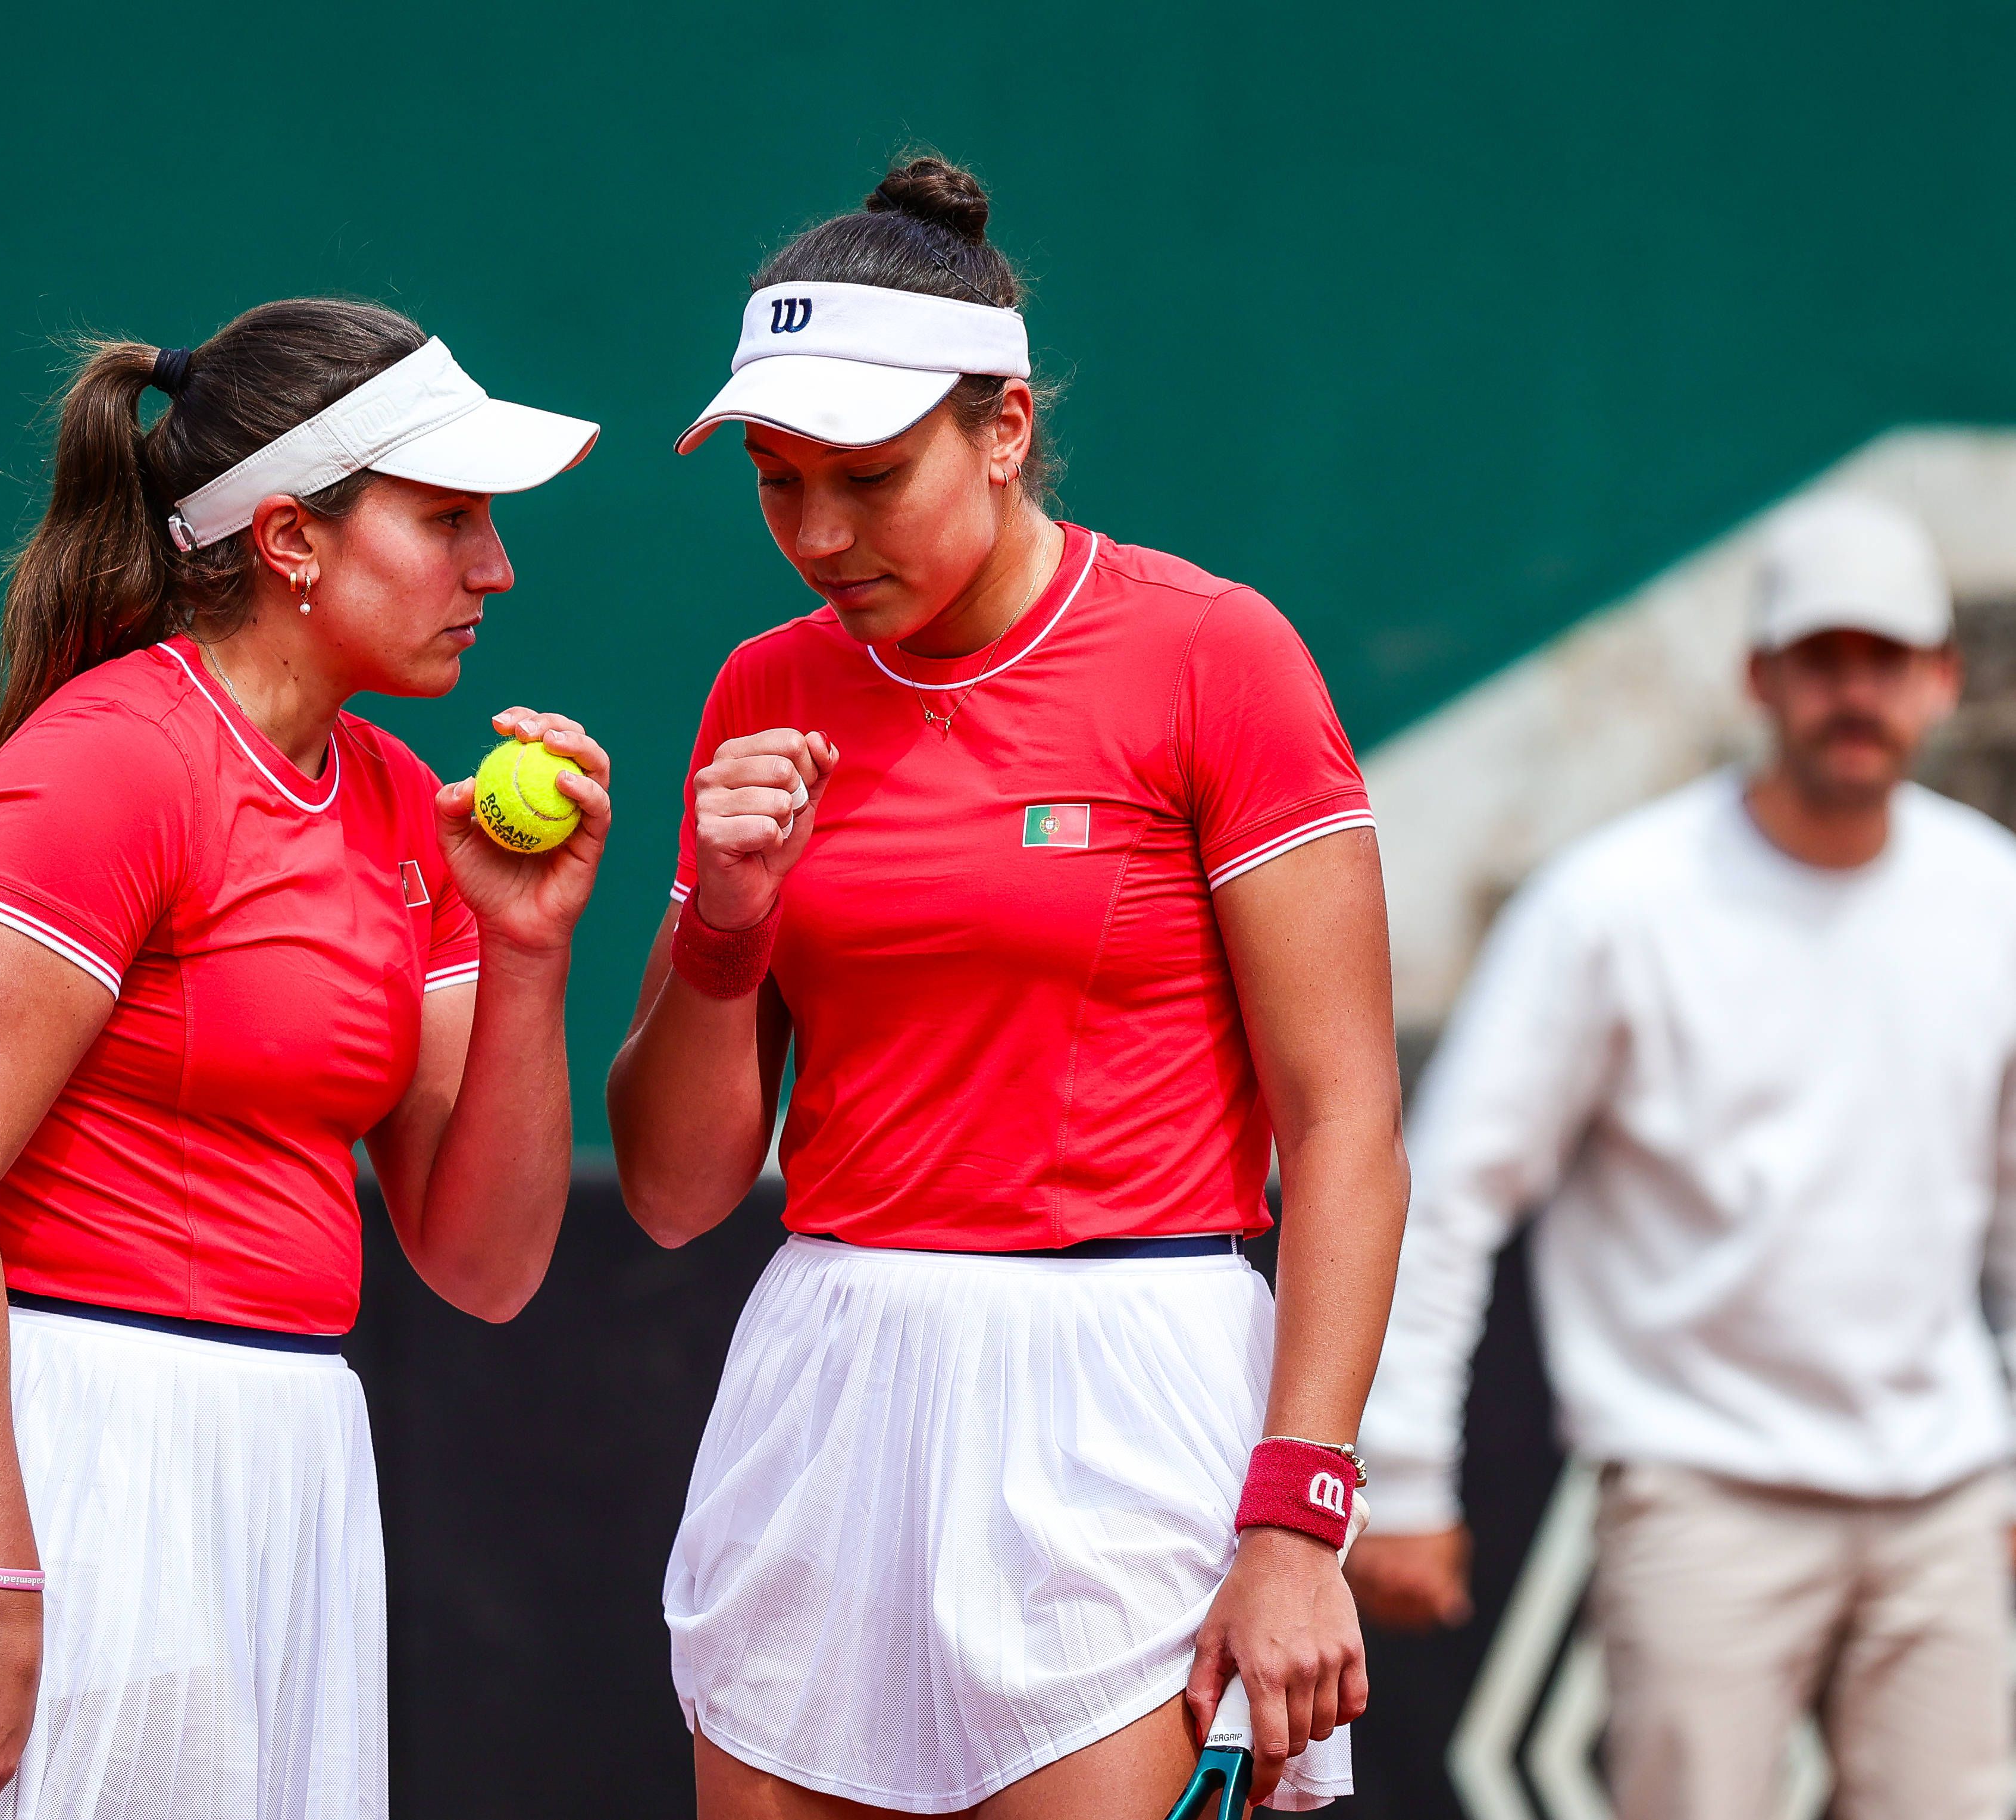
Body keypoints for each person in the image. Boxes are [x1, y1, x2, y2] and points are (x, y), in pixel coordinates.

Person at [606, 158, 1410, 1818]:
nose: (818, 537)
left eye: (870, 478)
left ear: (1004, 428)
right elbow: (680, 1189)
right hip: (823, 1379)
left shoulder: (1215, 655)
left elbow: (1344, 1128)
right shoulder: (760, 687)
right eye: (775, 482)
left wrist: (1294, 1517)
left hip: (1126, 1400)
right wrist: (723, 924)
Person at [0, 299, 610, 1820]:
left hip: (284, 1471)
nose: (496, 567)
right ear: (290, 539)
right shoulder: (113, 761)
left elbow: (481, 1261)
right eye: (449, 518)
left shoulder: (411, 810)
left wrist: (530, 948)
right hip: (73, 1469)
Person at [1348, 493, 2016, 1819]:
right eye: (1820, 660)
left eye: (1885, 661)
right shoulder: (1612, 902)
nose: (1853, 693)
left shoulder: (1991, 894)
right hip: (1698, 1494)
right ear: (1758, 676)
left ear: (1940, 681)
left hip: (1943, 1498)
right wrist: (1404, 1474)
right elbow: (1447, 1190)